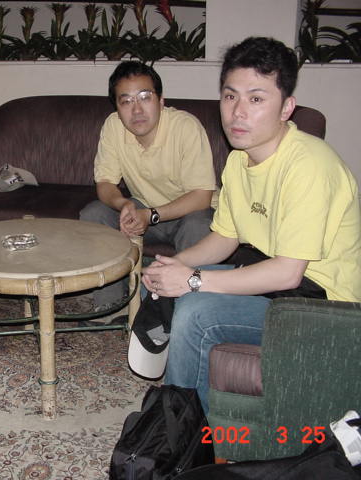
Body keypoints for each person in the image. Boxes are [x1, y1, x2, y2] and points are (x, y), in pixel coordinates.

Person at [142, 37, 361, 411]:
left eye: (256, 99)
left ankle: (180, 431)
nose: (238, 112)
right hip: (287, 290)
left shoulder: (309, 165)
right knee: (167, 283)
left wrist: (194, 280)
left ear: (286, 107)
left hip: (329, 308)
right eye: (230, 96)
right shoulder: (238, 160)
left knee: (196, 312)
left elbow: (288, 273)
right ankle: (189, 405)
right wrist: (175, 265)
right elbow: (225, 237)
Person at [80, 60, 217, 314]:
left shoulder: (185, 127)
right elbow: (105, 183)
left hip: (189, 213)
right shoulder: (113, 126)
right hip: (144, 209)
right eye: (126, 101)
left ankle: (186, 310)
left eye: (145, 97)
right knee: (94, 214)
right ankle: (110, 306)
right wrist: (124, 204)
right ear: (117, 107)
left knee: (199, 225)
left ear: (161, 100)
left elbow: (201, 197)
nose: (137, 110)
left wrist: (151, 215)